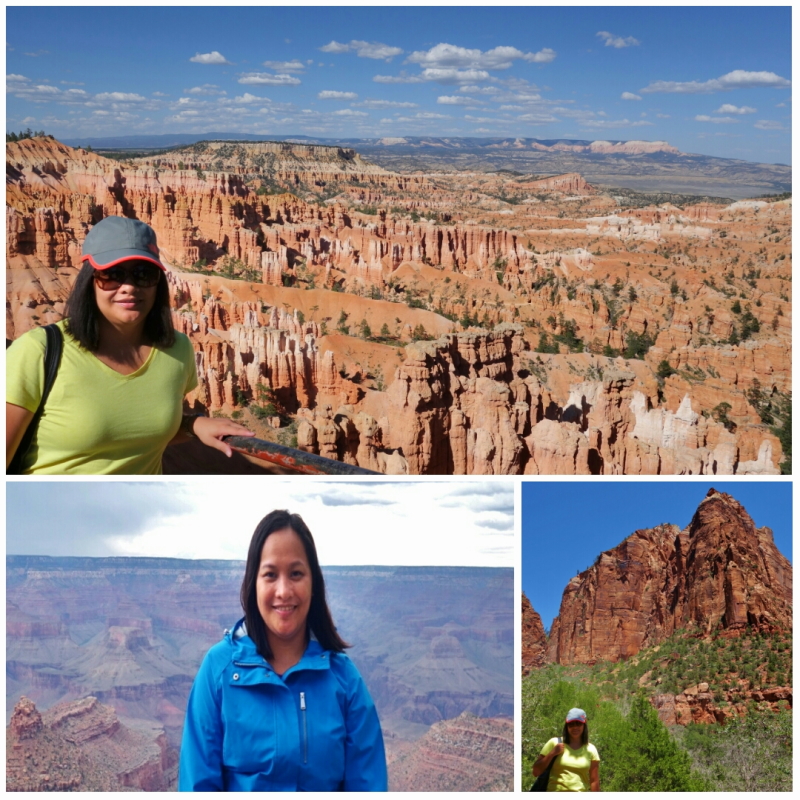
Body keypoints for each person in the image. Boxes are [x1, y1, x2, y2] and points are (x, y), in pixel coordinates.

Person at [6, 215, 251, 473]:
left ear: (158, 283)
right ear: (90, 279)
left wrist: (192, 426)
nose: (129, 287)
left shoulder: (178, 350)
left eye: (143, 274)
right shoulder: (38, 351)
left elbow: (146, 427)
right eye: (112, 274)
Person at [179, 510, 388, 792]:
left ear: (313, 583)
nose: (283, 590)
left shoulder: (343, 678)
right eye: (270, 575)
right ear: (253, 583)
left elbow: (368, 786)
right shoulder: (219, 671)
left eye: (296, 574)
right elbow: (197, 786)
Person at [533, 708, 600, 792]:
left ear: (584, 724)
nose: (575, 727)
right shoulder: (554, 743)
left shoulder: (591, 749)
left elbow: (594, 781)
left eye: (578, 723)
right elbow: (536, 772)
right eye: (571, 724)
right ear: (566, 725)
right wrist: (552, 753)